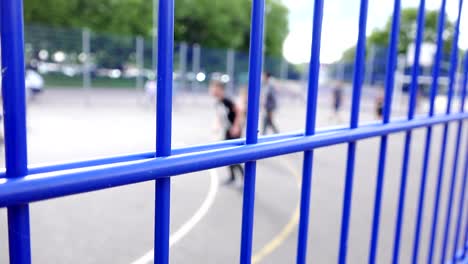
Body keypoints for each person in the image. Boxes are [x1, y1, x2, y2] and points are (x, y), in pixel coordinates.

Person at [209, 80, 244, 184]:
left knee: (234, 156)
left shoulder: (227, 100)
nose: (212, 90)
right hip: (227, 130)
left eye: (215, 88)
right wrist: (216, 126)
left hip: (234, 131)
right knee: (227, 155)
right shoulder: (217, 103)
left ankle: (244, 178)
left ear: (220, 90)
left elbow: (239, 111)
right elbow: (220, 116)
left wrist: (236, 126)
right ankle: (232, 177)